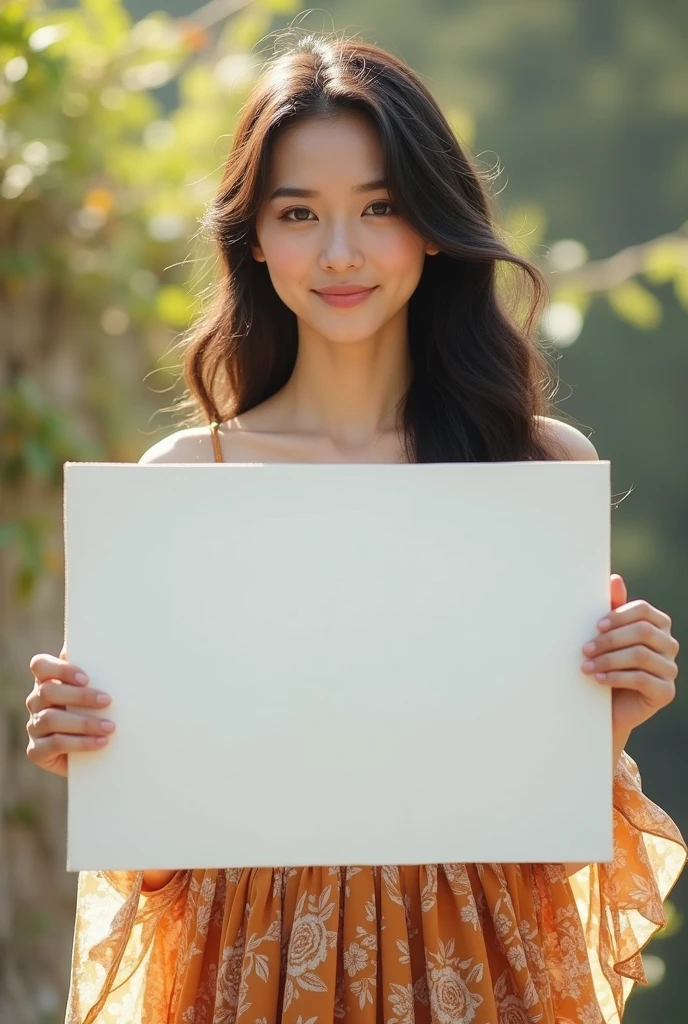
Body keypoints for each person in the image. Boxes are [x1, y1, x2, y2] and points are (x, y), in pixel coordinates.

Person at [25, 30, 685, 1024]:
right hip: (242, 966)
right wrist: (98, 750)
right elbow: (158, 861)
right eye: (299, 214)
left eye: (378, 207)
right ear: (252, 236)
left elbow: (540, 826)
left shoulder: (536, 467)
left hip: (476, 952)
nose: (339, 252)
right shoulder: (185, 484)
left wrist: (609, 721)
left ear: (431, 225)